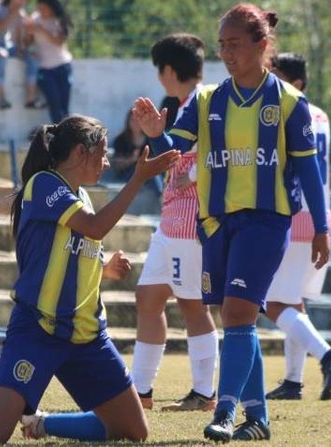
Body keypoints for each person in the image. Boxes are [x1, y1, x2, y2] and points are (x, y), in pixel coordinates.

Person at [133, 3, 331, 442]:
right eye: (222, 45)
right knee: (235, 318)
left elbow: (308, 174)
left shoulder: (288, 103)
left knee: (240, 311)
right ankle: (257, 418)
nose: (226, 53)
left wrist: (321, 228)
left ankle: (224, 410)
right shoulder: (207, 101)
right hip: (217, 224)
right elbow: (174, 149)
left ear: (262, 45)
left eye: (235, 44)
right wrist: (154, 133)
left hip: (267, 221)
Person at [0, 115, 180, 444]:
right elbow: (95, 227)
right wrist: (139, 178)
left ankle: (41, 424)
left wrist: (104, 266)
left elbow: (70, 252)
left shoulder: (80, 195)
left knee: (133, 431)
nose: (107, 161)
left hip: (86, 337)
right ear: (79, 153)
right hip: (38, 330)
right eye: (102, 152)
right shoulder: (44, 184)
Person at [130, 33, 219, 413]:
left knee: (192, 305)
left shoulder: (204, 100)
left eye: (159, 70)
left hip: (189, 220)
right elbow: (179, 151)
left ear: (168, 70)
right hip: (171, 220)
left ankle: (203, 394)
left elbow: (214, 153)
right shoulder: (187, 103)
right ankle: (140, 392)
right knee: (148, 299)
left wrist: (195, 172)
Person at [265, 52, 331, 401]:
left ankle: (328, 355)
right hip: (319, 216)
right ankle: (293, 381)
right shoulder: (321, 115)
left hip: (294, 214)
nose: (269, 81)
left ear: (296, 83)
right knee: (292, 302)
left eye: (276, 75)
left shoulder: (287, 112)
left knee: (271, 303)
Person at [0, 0, 39, 110]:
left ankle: (31, 98)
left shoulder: (20, 12)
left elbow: (20, 36)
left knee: (32, 56)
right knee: (2, 55)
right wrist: (13, 14)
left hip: (4, 45)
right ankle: (1, 98)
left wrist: (22, 49)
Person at [26, 0, 73, 123]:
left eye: (44, 7)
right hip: (44, 68)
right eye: (39, 7)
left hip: (62, 66)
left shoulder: (59, 20)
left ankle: (66, 134)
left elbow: (59, 42)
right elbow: (28, 42)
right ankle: (59, 133)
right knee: (54, 102)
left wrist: (42, 31)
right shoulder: (34, 20)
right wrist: (31, 51)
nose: (41, 10)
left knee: (64, 104)